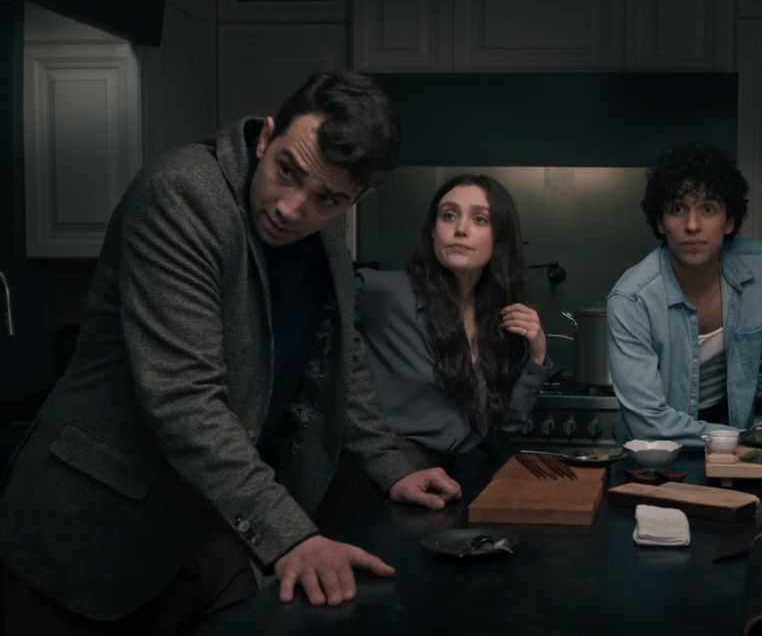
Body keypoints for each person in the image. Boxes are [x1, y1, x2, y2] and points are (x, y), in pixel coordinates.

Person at [0, 71, 462, 634]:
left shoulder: (324, 236)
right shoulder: (181, 195)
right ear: (267, 136)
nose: (293, 208)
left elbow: (342, 353)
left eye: (327, 199)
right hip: (90, 528)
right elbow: (182, 397)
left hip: (205, 525)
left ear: (356, 197)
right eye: (286, 170)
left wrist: (390, 465)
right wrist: (292, 536)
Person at [606, 142, 762, 445]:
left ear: (729, 221)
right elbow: (647, 420)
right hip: (661, 454)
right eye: (677, 209)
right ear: (660, 222)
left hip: (741, 442)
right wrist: (745, 439)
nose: (692, 225)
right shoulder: (631, 299)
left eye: (708, 209)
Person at [356, 174, 550, 458]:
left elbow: (508, 428)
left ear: (500, 239)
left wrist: (538, 356)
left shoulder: (501, 320)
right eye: (448, 216)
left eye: (480, 220)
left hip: (467, 480)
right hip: (393, 477)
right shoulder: (384, 292)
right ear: (433, 231)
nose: (460, 229)